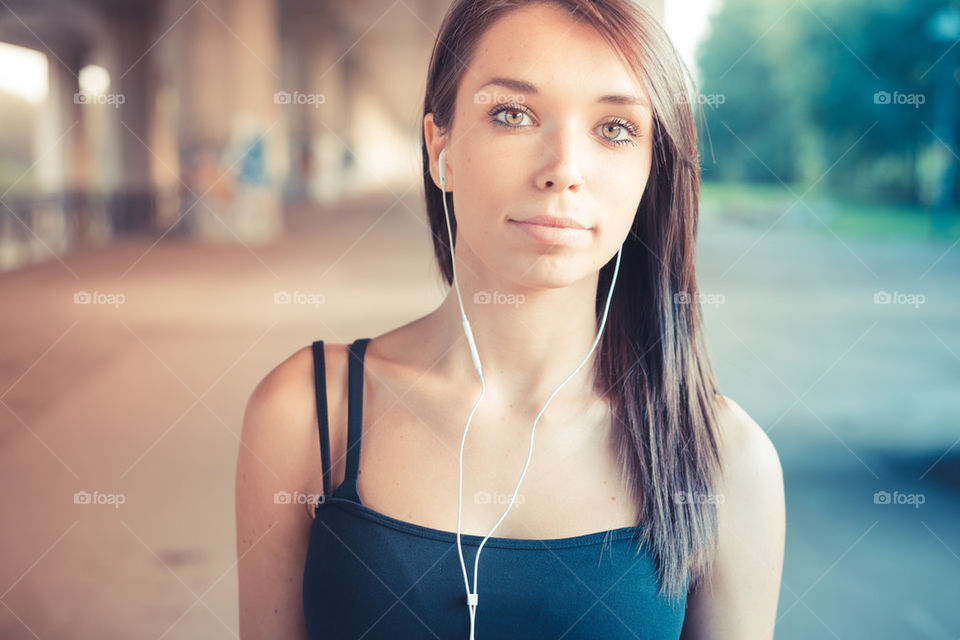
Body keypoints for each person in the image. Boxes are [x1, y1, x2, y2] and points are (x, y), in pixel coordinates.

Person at [236, 1, 785, 638]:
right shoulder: (307, 412)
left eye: (614, 129)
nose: (563, 172)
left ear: (650, 169)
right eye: (512, 114)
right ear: (439, 145)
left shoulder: (724, 459)